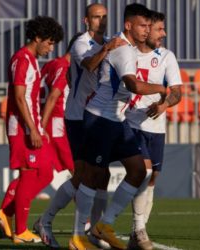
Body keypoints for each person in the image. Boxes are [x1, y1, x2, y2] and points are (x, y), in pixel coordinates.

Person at [70, 3, 167, 249]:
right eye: (142, 25)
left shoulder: (127, 47)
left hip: (118, 119)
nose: (147, 30)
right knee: (92, 177)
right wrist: (162, 89)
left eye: (149, 25)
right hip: (100, 119)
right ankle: (78, 238)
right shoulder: (123, 50)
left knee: (138, 171)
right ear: (128, 25)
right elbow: (133, 86)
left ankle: (105, 224)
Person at [33, 3, 124, 249]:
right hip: (78, 118)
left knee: (102, 175)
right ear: (86, 20)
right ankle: (47, 221)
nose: (101, 21)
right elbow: (90, 65)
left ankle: (95, 232)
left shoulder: (110, 43)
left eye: (104, 16)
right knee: (84, 175)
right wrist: (108, 48)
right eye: (96, 17)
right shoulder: (81, 43)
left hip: (101, 116)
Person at [0, 16, 63, 244]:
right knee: (30, 174)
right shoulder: (22, 60)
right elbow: (20, 98)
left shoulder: (31, 60)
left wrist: (40, 127)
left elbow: (29, 100)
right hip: (21, 127)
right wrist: (32, 128)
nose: (51, 48)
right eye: (49, 43)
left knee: (45, 173)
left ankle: (5, 213)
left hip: (31, 125)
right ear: (38, 38)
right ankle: (20, 229)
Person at [125, 10, 182, 250]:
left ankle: (135, 233)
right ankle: (139, 230)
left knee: (152, 179)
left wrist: (164, 104)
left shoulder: (167, 56)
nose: (163, 34)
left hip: (156, 127)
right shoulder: (127, 54)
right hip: (130, 123)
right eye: (158, 29)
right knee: (144, 172)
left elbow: (177, 92)